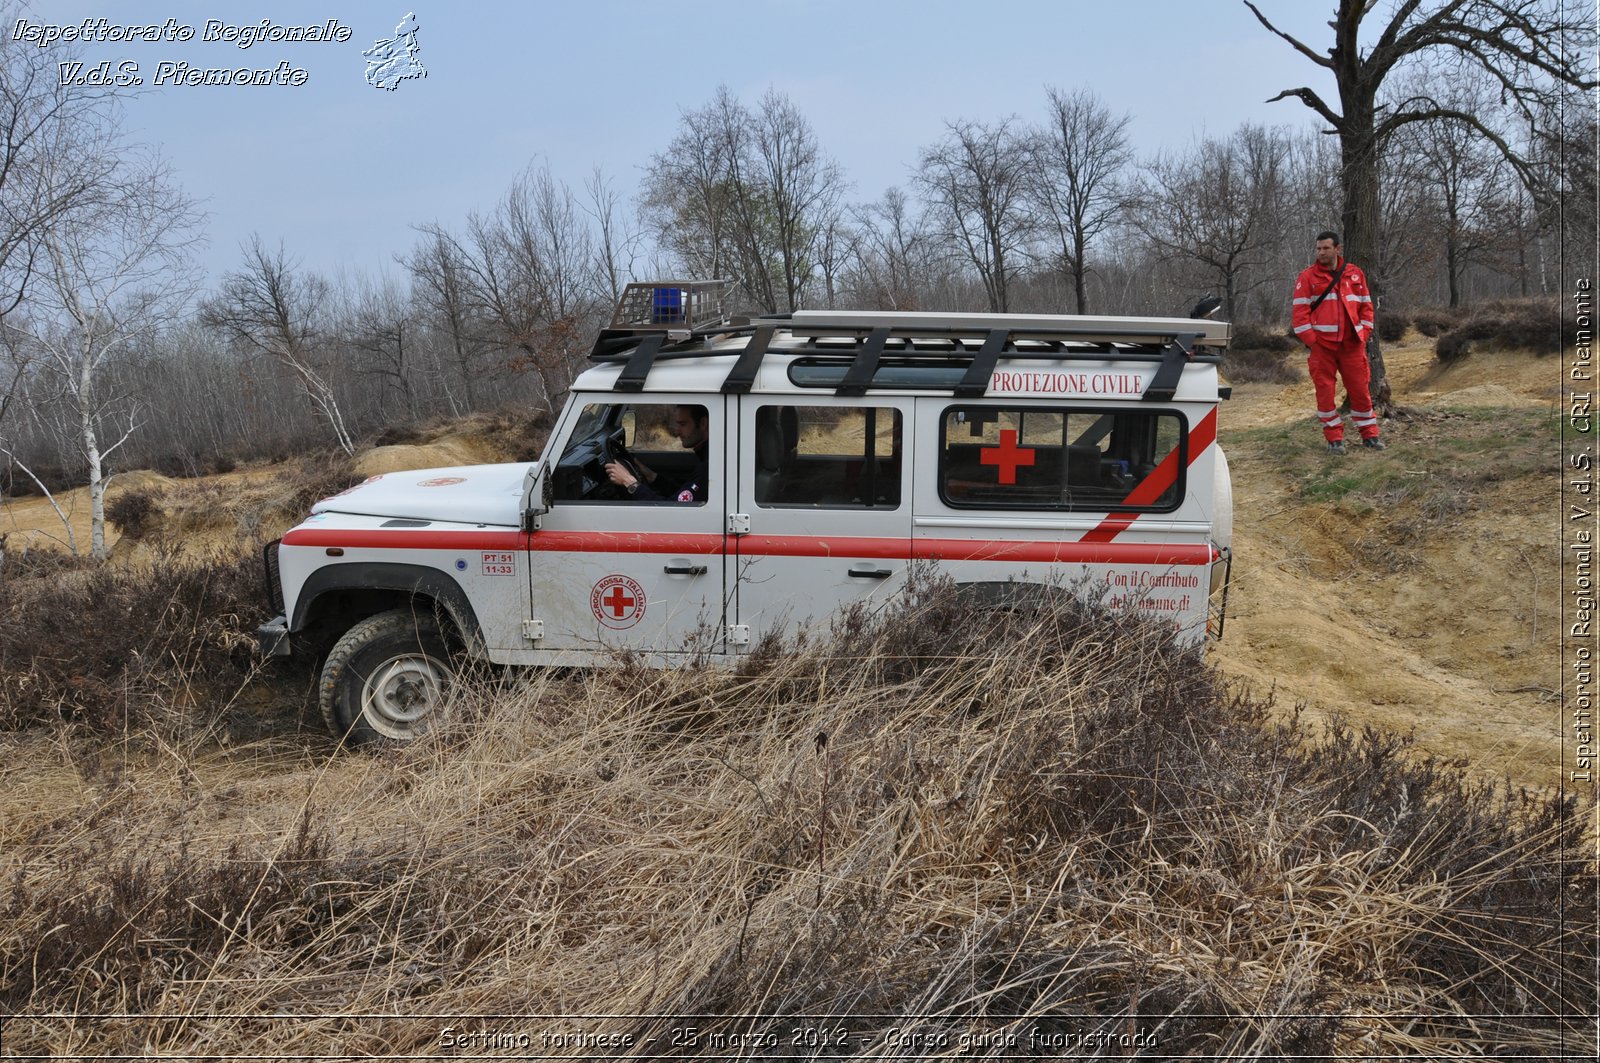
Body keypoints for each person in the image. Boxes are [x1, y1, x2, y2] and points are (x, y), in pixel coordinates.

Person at [1292, 231, 1384, 453]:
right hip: (1322, 348)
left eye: (1325, 248)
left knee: (1361, 392)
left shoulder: (1355, 274)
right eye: (1318, 249)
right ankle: (1334, 439)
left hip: (1352, 346)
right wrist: (1314, 342)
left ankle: (1370, 435)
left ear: (1337, 249)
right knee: (1325, 394)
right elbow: (1299, 316)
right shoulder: (1307, 277)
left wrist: (1363, 334)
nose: (1321, 252)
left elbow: (1366, 308)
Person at [604, 404, 709, 501]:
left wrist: (629, 482)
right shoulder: (707, 459)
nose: (677, 432)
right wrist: (653, 477)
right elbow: (680, 496)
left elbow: (673, 512)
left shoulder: (709, 468)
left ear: (703, 423)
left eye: (683, 424)